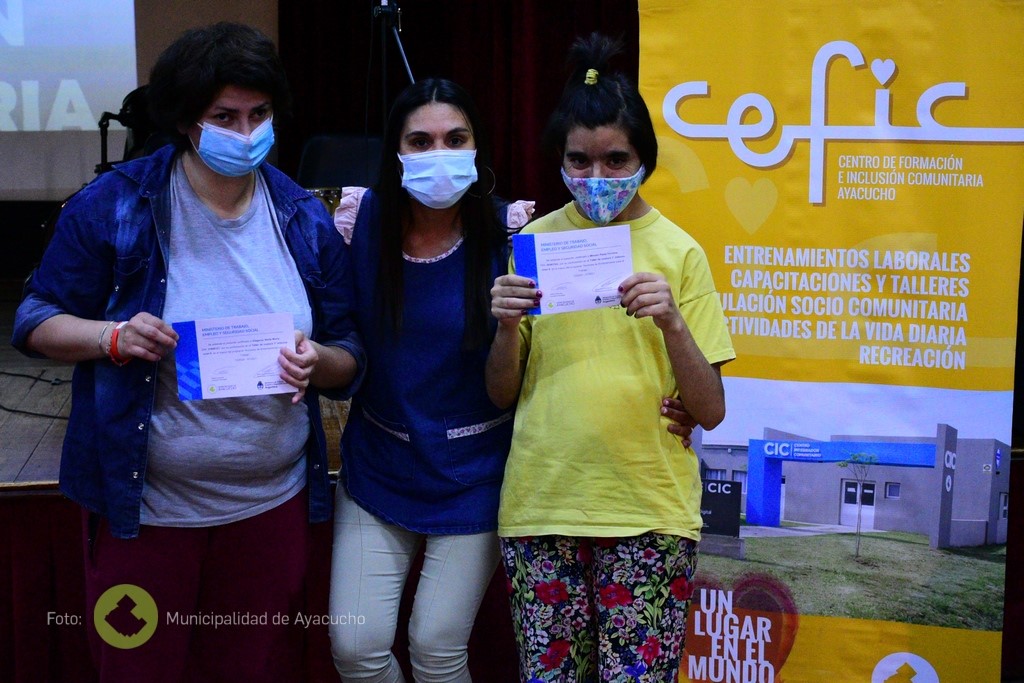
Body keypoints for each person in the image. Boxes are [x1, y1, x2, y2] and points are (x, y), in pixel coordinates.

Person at [12, 22, 363, 682]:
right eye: (224, 117)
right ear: (184, 121)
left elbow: (348, 354)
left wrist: (317, 359)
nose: (246, 132)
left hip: (271, 508)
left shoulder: (301, 216)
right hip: (146, 513)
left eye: (259, 114)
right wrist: (112, 337)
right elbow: (34, 321)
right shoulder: (115, 205)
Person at [486, 33, 736, 682]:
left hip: (648, 511)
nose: (596, 179)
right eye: (580, 160)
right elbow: (501, 393)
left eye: (616, 159)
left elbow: (710, 410)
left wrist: (672, 321)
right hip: (543, 505)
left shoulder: (679, 252)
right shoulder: (534, 242)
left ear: (644, 157)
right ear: (560, 159)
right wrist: (506, 326)